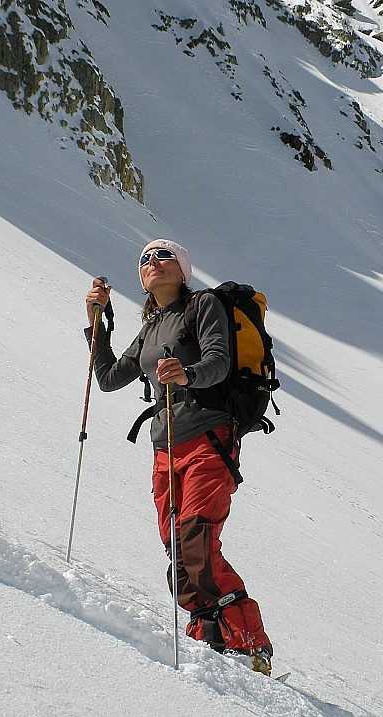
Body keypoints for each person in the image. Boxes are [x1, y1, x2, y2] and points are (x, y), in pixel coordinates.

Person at [84, 238, 273, 674]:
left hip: (209, 436)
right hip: (165, 447)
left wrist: (187, 374)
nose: (153, 263)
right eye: (145, 259)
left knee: (196, 539)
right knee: (178, 545)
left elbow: (220, 362)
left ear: (182, 269)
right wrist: (96, 324)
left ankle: (248, 643)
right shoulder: (152, 326)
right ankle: (207, 634)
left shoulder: (201, 306)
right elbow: (111, 378)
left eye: (163, 256)